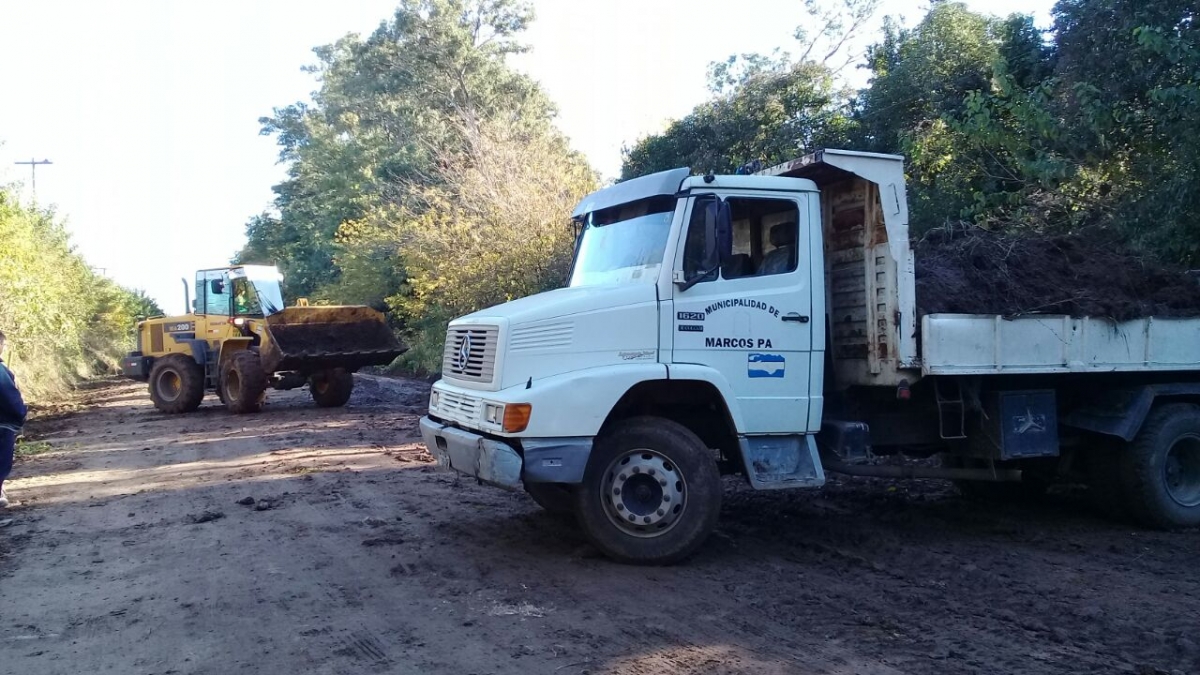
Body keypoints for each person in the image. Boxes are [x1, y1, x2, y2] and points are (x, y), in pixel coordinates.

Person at [0, 329, 28, 510]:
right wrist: (21, 414)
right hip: (3, 425)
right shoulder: (1, 371)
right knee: (2, 461)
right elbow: (9, 397)